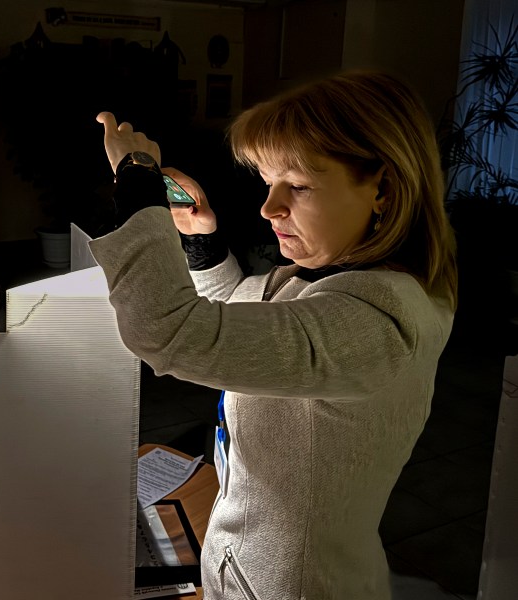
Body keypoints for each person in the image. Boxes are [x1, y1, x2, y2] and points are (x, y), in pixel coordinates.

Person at [91, 70, 457, 599]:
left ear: (383, 189)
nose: (269, 208)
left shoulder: (375, 320)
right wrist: (201, 244)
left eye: (300, 186)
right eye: (269, 183)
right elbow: (246, 313)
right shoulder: (334, 281)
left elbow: (170, 331)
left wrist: (137, 184)